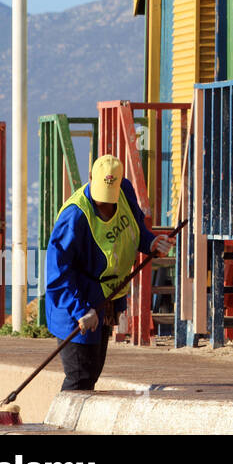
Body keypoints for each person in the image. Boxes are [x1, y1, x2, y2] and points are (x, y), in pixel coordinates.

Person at [45, 154, 173, 391]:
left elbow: (137, 229)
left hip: (106, 299)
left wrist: (152, 244)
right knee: (79, 375)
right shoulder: (74, 217)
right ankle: (64, 426)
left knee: (92, 372)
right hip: (74, 302)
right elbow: (57, 275)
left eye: (109, 201)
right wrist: (81, 310)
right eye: (101, 201)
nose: (105, 207)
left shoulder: (124, 190)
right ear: (91, 179)